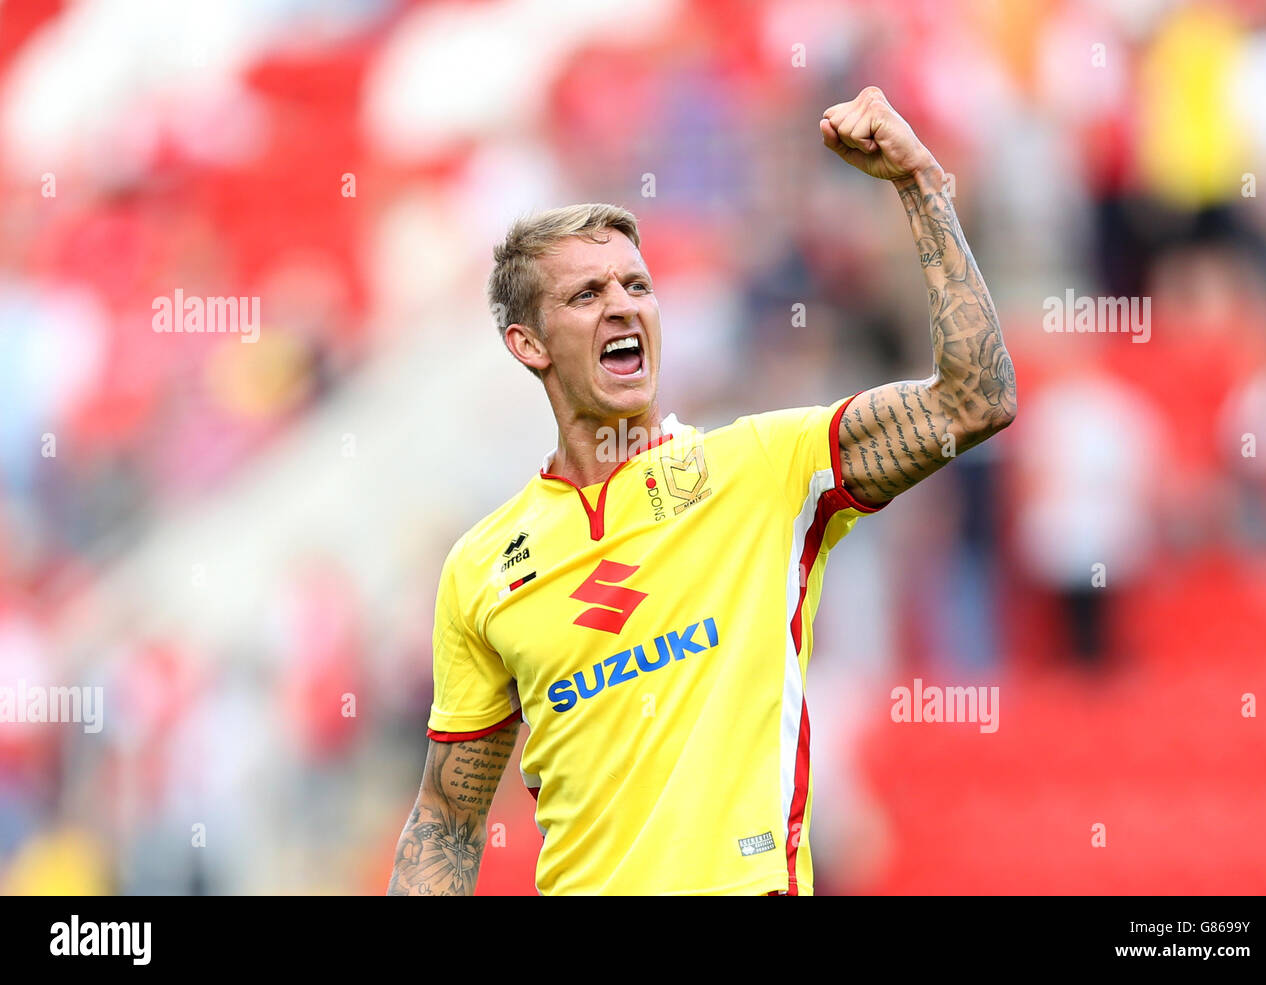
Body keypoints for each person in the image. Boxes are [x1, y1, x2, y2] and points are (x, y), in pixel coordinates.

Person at [387, 86, 1016, 896]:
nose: (624, 306)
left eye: (637, 285)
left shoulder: (764, 467)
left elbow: (976, 400)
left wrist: (920, 183)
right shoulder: (481, 568)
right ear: (528, 343)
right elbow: (447, 815)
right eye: (588, 294)